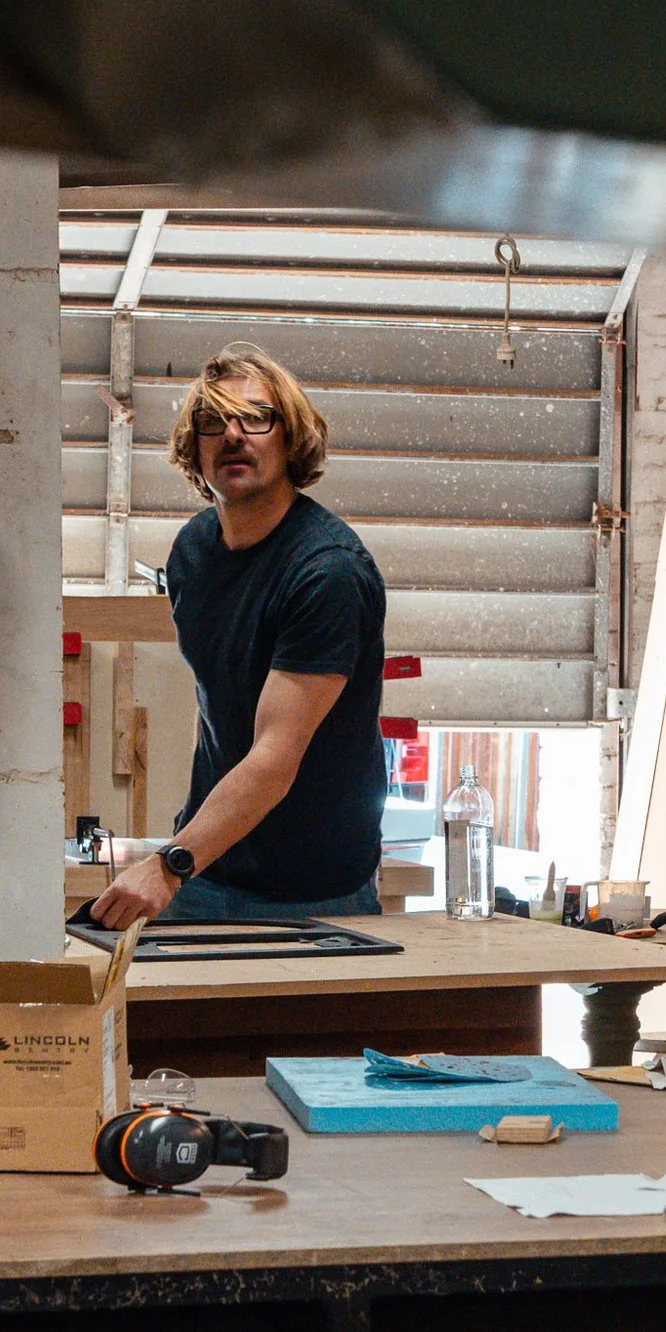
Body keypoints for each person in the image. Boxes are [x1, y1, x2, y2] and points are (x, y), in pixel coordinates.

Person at [88, 344, 387, 928]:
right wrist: (191, 848)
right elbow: (220, 704)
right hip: (212, 867)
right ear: (193, 447)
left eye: (255, 417)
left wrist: (168, 864)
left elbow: (274, 758)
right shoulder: (192, 554)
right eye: (212, 420)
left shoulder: (327, 572)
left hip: (314, 890)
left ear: (290, 436)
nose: (231, 434)